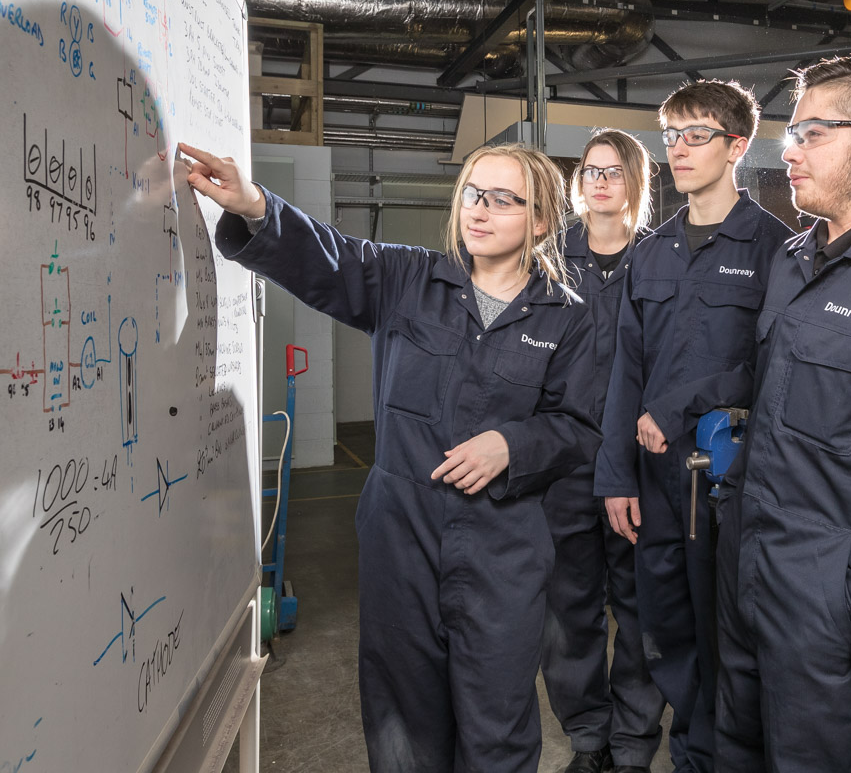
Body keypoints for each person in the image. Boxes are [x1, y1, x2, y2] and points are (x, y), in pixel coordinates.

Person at [178, 141, 601, 773]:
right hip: (400, 533)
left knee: (498, 724)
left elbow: (582, 427)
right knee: (403, 717)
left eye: (504, 199)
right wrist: (256, 205)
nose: (479, 211)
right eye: (471, 194)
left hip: (502, 545)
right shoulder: (407, 278)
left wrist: (513, 444)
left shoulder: (568, 318)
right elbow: (329, 257)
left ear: (541, 220)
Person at [646, 56, 851, 771]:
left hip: (834, 596)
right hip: (748, 565)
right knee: (740, 746)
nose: (787, 151)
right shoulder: (792, 261)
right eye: (791, 134)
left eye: (812, 133)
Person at [596, 79, 794, 773]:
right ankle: (691, 755)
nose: (677, 150)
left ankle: (722, 759)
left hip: (729, 489)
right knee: (664, 634)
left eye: (696, 135)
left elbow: (772, 366)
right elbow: (627, 369)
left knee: (727, 641)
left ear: (736, 146)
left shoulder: (776, 248)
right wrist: (614, 476)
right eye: (670, 135)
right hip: (653, 486)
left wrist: (682, 405)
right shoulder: (650, 252)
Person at [541, 129, 666, 773]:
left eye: (614, 172)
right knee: (569, 612)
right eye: (590, 171)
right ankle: (589, 740)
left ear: (636, 184)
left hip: (639, 469)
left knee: (642, 612)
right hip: (563, 466)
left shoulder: (660, 258)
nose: (600, 181)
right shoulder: (550, 257)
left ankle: (634, 743)